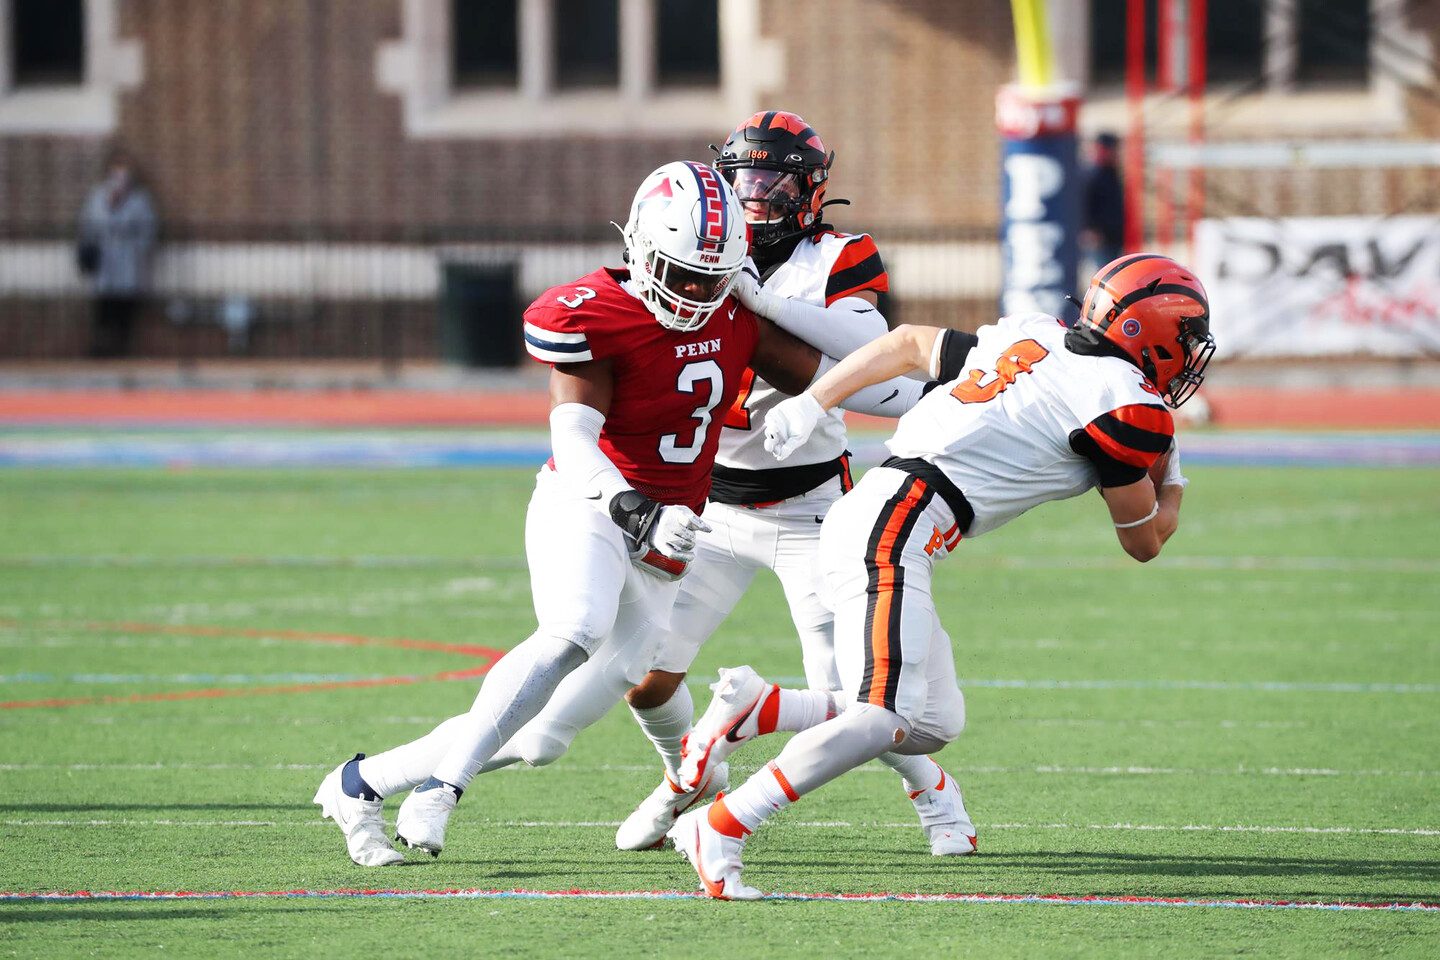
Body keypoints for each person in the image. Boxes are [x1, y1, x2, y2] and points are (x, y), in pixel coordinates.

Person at [312, 160, 923, 867]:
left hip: (673, 528)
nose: (696, 294)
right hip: (592, 502)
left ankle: (362, 782)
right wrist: (632, 509)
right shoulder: (594, 312)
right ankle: (443, 787)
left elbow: (853, 385)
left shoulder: (734, 312)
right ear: (638, 245)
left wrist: (957, 393)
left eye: (712, 276)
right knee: (573, 628)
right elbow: (571, 439)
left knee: (544, 738)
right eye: (683, 273)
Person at [667, 253, 1215, 899]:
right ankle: (725, 824)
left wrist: (817, 401)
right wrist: (1173, 480)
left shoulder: (1033, 333)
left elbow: (905, 344)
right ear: (1141, 331)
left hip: (890, 517)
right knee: (883, 716)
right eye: (1184, 336)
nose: (1191, 352)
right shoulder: (1125, 405)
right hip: (897, 524)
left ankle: (765, 708)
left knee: (931, 723)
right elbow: (1145, 539)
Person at [608, 110, 974, 856]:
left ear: (811, 191)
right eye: (744, 176)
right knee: (643, 676)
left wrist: (762, 301)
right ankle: (687, 775)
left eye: (776, 179)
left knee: (859, 696)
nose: (757, 193)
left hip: (812, 509)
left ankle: (934, 793)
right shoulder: (691, 247)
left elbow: (876, 348)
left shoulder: (841, 255)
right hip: (706, 507)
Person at [78, 149, 158, 358]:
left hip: (128, 258)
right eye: (116, 170)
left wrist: (138, 249)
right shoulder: (99, 195)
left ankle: (121, 348)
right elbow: (89, 225)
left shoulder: (140, 199)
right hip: (105, 258)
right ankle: (100, 345)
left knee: (125, 305)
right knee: (103, 305)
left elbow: (148, 230)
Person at [1080, 132, 1124, 285]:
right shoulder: (1092, 174)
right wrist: (1089, 229)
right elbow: (1083, 204)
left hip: (1114, 235)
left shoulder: (1111, 173)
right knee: (1105, 279)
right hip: (1101, 238)